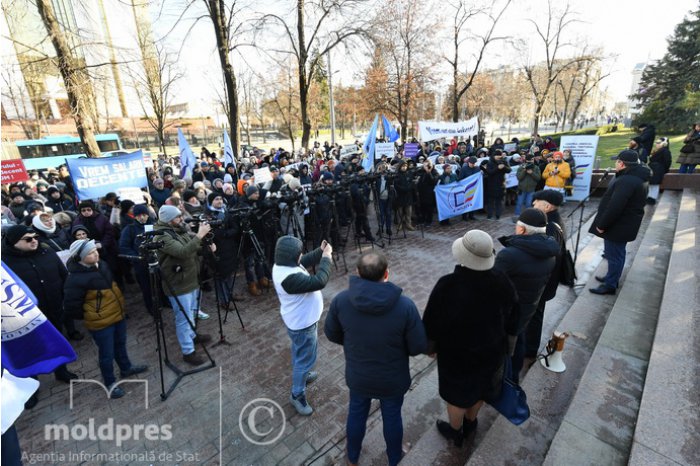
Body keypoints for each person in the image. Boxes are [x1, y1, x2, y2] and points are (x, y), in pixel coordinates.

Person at [325, 252, 427, 466]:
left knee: (356, 413)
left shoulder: (341, 301)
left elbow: (332, 334)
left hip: (359, 376)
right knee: (392, 417)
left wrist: (355, 344)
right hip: (392, 378)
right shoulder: (405, 306)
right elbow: (418, 346)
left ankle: (352, 457)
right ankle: (394, 458)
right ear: (387, 274)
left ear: (357, 273)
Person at [423, 230, 518, 446]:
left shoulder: (447, 285)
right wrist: (508, 349)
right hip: (491, 352)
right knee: (482, 389)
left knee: (456, 396)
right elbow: (514, 319)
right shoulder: (502, 280)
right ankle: (471, 423)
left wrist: (430, 348)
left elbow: (431, 323)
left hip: (456, 357)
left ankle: (455, 432)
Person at [62, 239, 148, 398]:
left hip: (117, 314)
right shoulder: (75, 279)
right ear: (80, 257)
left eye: (95, 250)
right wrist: (93, 314)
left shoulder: (102, 264)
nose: (95, 254)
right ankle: (110, 382)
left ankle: (126, 368)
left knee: (120, 344)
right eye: (90, 253)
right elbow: (71, 307)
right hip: (100, 323)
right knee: (106, 354)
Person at [1, 225, 81, 381]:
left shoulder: (47, 252)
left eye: (35, 237)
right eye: (28, 239)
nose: (34, 241)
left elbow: (64, 276)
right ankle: (32, 383)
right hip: (25, 318)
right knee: (30, 350)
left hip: (54, 308)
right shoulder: (4, 264)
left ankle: (61, 371)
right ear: (13, 242)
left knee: (55, 342)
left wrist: (68, 299)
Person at [494, 208, 559, 382]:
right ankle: (514, 375)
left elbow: (493, 284)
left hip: (508, 313)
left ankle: (506, 381)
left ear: (522, 230)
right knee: (520, 339)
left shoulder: (510, 255)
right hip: (528, 308)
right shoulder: (550, 251)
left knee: (505, 349)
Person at [272, 235, 333, 416]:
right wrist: (327, 257)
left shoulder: (283, 264)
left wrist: (320, 251)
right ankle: (297, 394)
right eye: (299, 253)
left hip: (300, 321)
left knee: (301, 353)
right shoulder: (287, 278)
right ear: (291, 257)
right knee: (305, 358)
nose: (301, 256)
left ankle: (303, 375)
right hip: (303, 326)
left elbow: (303, 261)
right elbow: (319, 281)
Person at [154, 205, 214, 365]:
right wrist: (200, 235)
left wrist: (205, 246)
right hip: (178, 283)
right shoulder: (161, 236)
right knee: (183, 318)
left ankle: (193, 336)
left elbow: (192, 248)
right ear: (168, 220)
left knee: (192, 311)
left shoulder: (178, 230)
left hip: (191, 279)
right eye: (177, 217)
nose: (181, 219)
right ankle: (188, 351)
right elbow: (183, 252)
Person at [589, 150, 651, 295]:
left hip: (618, 225)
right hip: (624, 224)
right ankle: (611, 277)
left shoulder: (626, 181)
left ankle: (610, 285)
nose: (615, 163)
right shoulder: (635, 177)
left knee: (615, 255)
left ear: (622, 164)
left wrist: (602, 224)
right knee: (616, 254)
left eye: (616, 161)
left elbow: (615, 206)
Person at [525, 190, 566, 360]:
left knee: (534, 316)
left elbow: (543, 255)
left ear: (547, 206)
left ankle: (529, 350)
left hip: (542, 283)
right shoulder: (553, 220)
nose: (533, 204)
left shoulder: (549, 226)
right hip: (545, 280)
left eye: (537, 201)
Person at [647, 138, 672, 205]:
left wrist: (664, 170)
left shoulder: (665, 151)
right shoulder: (658, 150)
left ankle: (652, 198)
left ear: (664, 143)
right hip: (653, 169)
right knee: (651, 184)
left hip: (658, 170)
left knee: (655, 184)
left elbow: (668, 162)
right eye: (656, 142)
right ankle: (649, 197)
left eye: (658, 143)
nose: (656, 144)